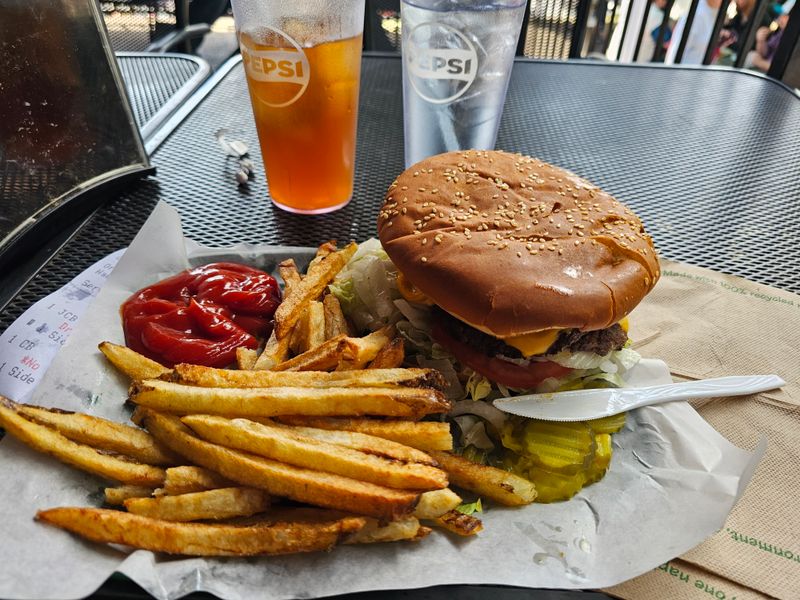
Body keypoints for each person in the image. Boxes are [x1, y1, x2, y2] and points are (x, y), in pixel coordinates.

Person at [665, 0, 723, 64]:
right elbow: (674, 52)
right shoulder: (697, 13)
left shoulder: (717, 12)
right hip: (685, 68)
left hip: (700, 69)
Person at [746, 0, 795, 72]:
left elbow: (783, 71)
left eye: (785, 16)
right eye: (781, 15)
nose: (780, 18)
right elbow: (764, 53)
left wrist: (759, 62)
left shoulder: (794, 43)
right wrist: (761, 40)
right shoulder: (780, 32)